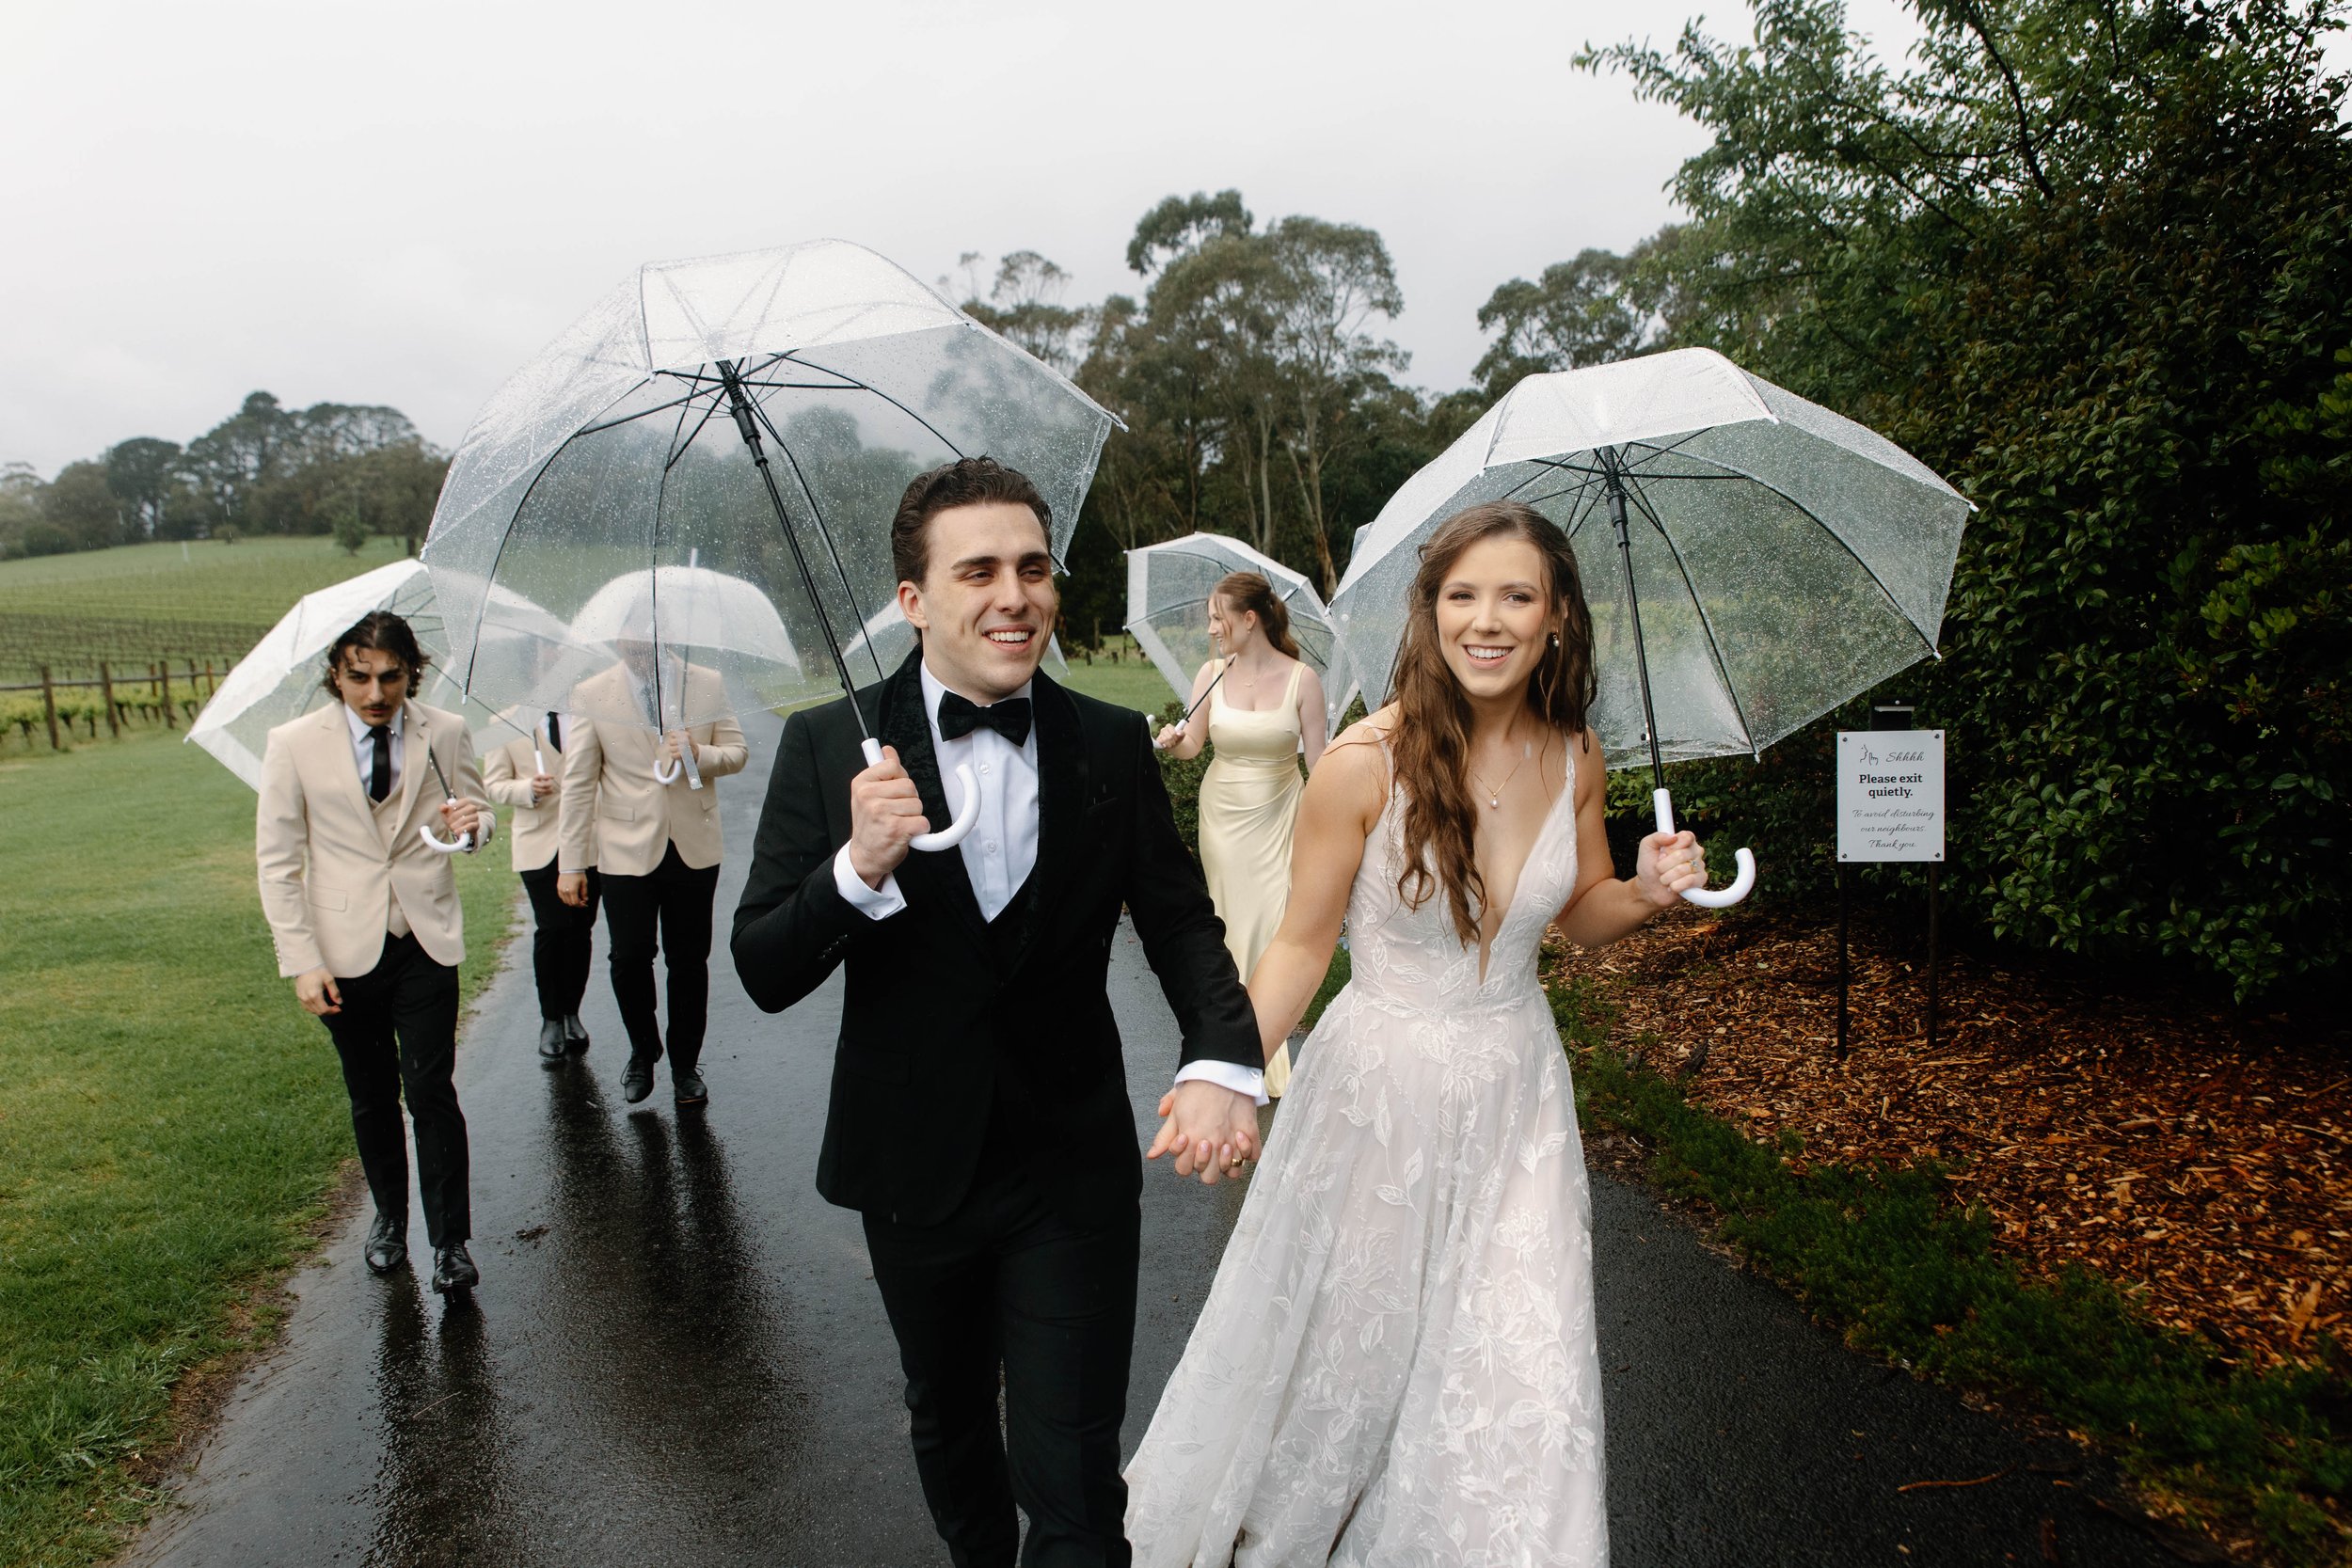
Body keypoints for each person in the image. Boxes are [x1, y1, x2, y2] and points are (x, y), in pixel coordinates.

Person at [1124, 501, 1711, 1567]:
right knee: (1348, 1354)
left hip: (1518, 1092)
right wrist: (1224, 1069)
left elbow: (1578, 917)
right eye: (1462, 595)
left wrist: (1644, 888)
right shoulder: (1363, 761)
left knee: (1515, 1349)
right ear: (1429, 610)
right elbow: (1300, 948)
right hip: (1376, 1092)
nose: (1487, 621)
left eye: (1516, 596)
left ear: (1557, 619)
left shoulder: (1575, 752)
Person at [732, 456, 1265, 1568]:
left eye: (1032, 566)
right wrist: (854, 865)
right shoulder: (830, 744)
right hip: (911, 1162)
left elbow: (1177, 923)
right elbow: (764, 965)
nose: (1013, 593)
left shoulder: (1111, 743)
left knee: (1073, 1462)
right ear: (915, 599)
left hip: (1068, 1166)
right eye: (976, 569)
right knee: (951, 1412)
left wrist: (1223, 1052)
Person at [254, 610, 496, 1294]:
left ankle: (450, 1241)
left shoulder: (444, 732)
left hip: (424, 936)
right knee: (371, 1094)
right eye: (359, 676)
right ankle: (389, 1218)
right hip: (340, 948)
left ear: (411, 672)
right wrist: (301, 959)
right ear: (336, 673)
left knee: (429, 1088)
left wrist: (474, 826)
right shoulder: (294, 743)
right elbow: (277, 862)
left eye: (390, 676)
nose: (375, 692)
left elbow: (477, 820)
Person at [1154, 572, 1327, 1098]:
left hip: (1280, 816)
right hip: (1223, 817)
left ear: (1249, 619)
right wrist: (1173, 740)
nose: (1211, 628)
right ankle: (1235, 1051)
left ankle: (1262, 1049)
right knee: (1229, 927)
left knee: (1273, 928)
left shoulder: (1304, 681)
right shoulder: (1212, 672)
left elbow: (1321, 768)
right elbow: (1194, 746)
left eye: (1217, 617)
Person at [555, 647, 747, 1107]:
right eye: (628, 638)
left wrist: (700, 753)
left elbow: (737, 754)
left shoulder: (706, 682)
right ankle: (643, 1051)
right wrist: (571, 862)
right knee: (628, 957)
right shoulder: (593, 693)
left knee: (688, 960)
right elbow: (579, 783)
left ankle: (685, 1065)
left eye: (646, 636)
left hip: (693, 845)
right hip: (624, 849)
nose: (637, 648)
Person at [482, 708, 597, 1061]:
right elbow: (493, 784)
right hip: (538, 843)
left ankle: (571, 1012)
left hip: (588, 841)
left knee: (580, 929)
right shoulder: (502, 722)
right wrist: (526, 789)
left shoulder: (589, 716)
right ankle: (550, 1018)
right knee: (551, 928)